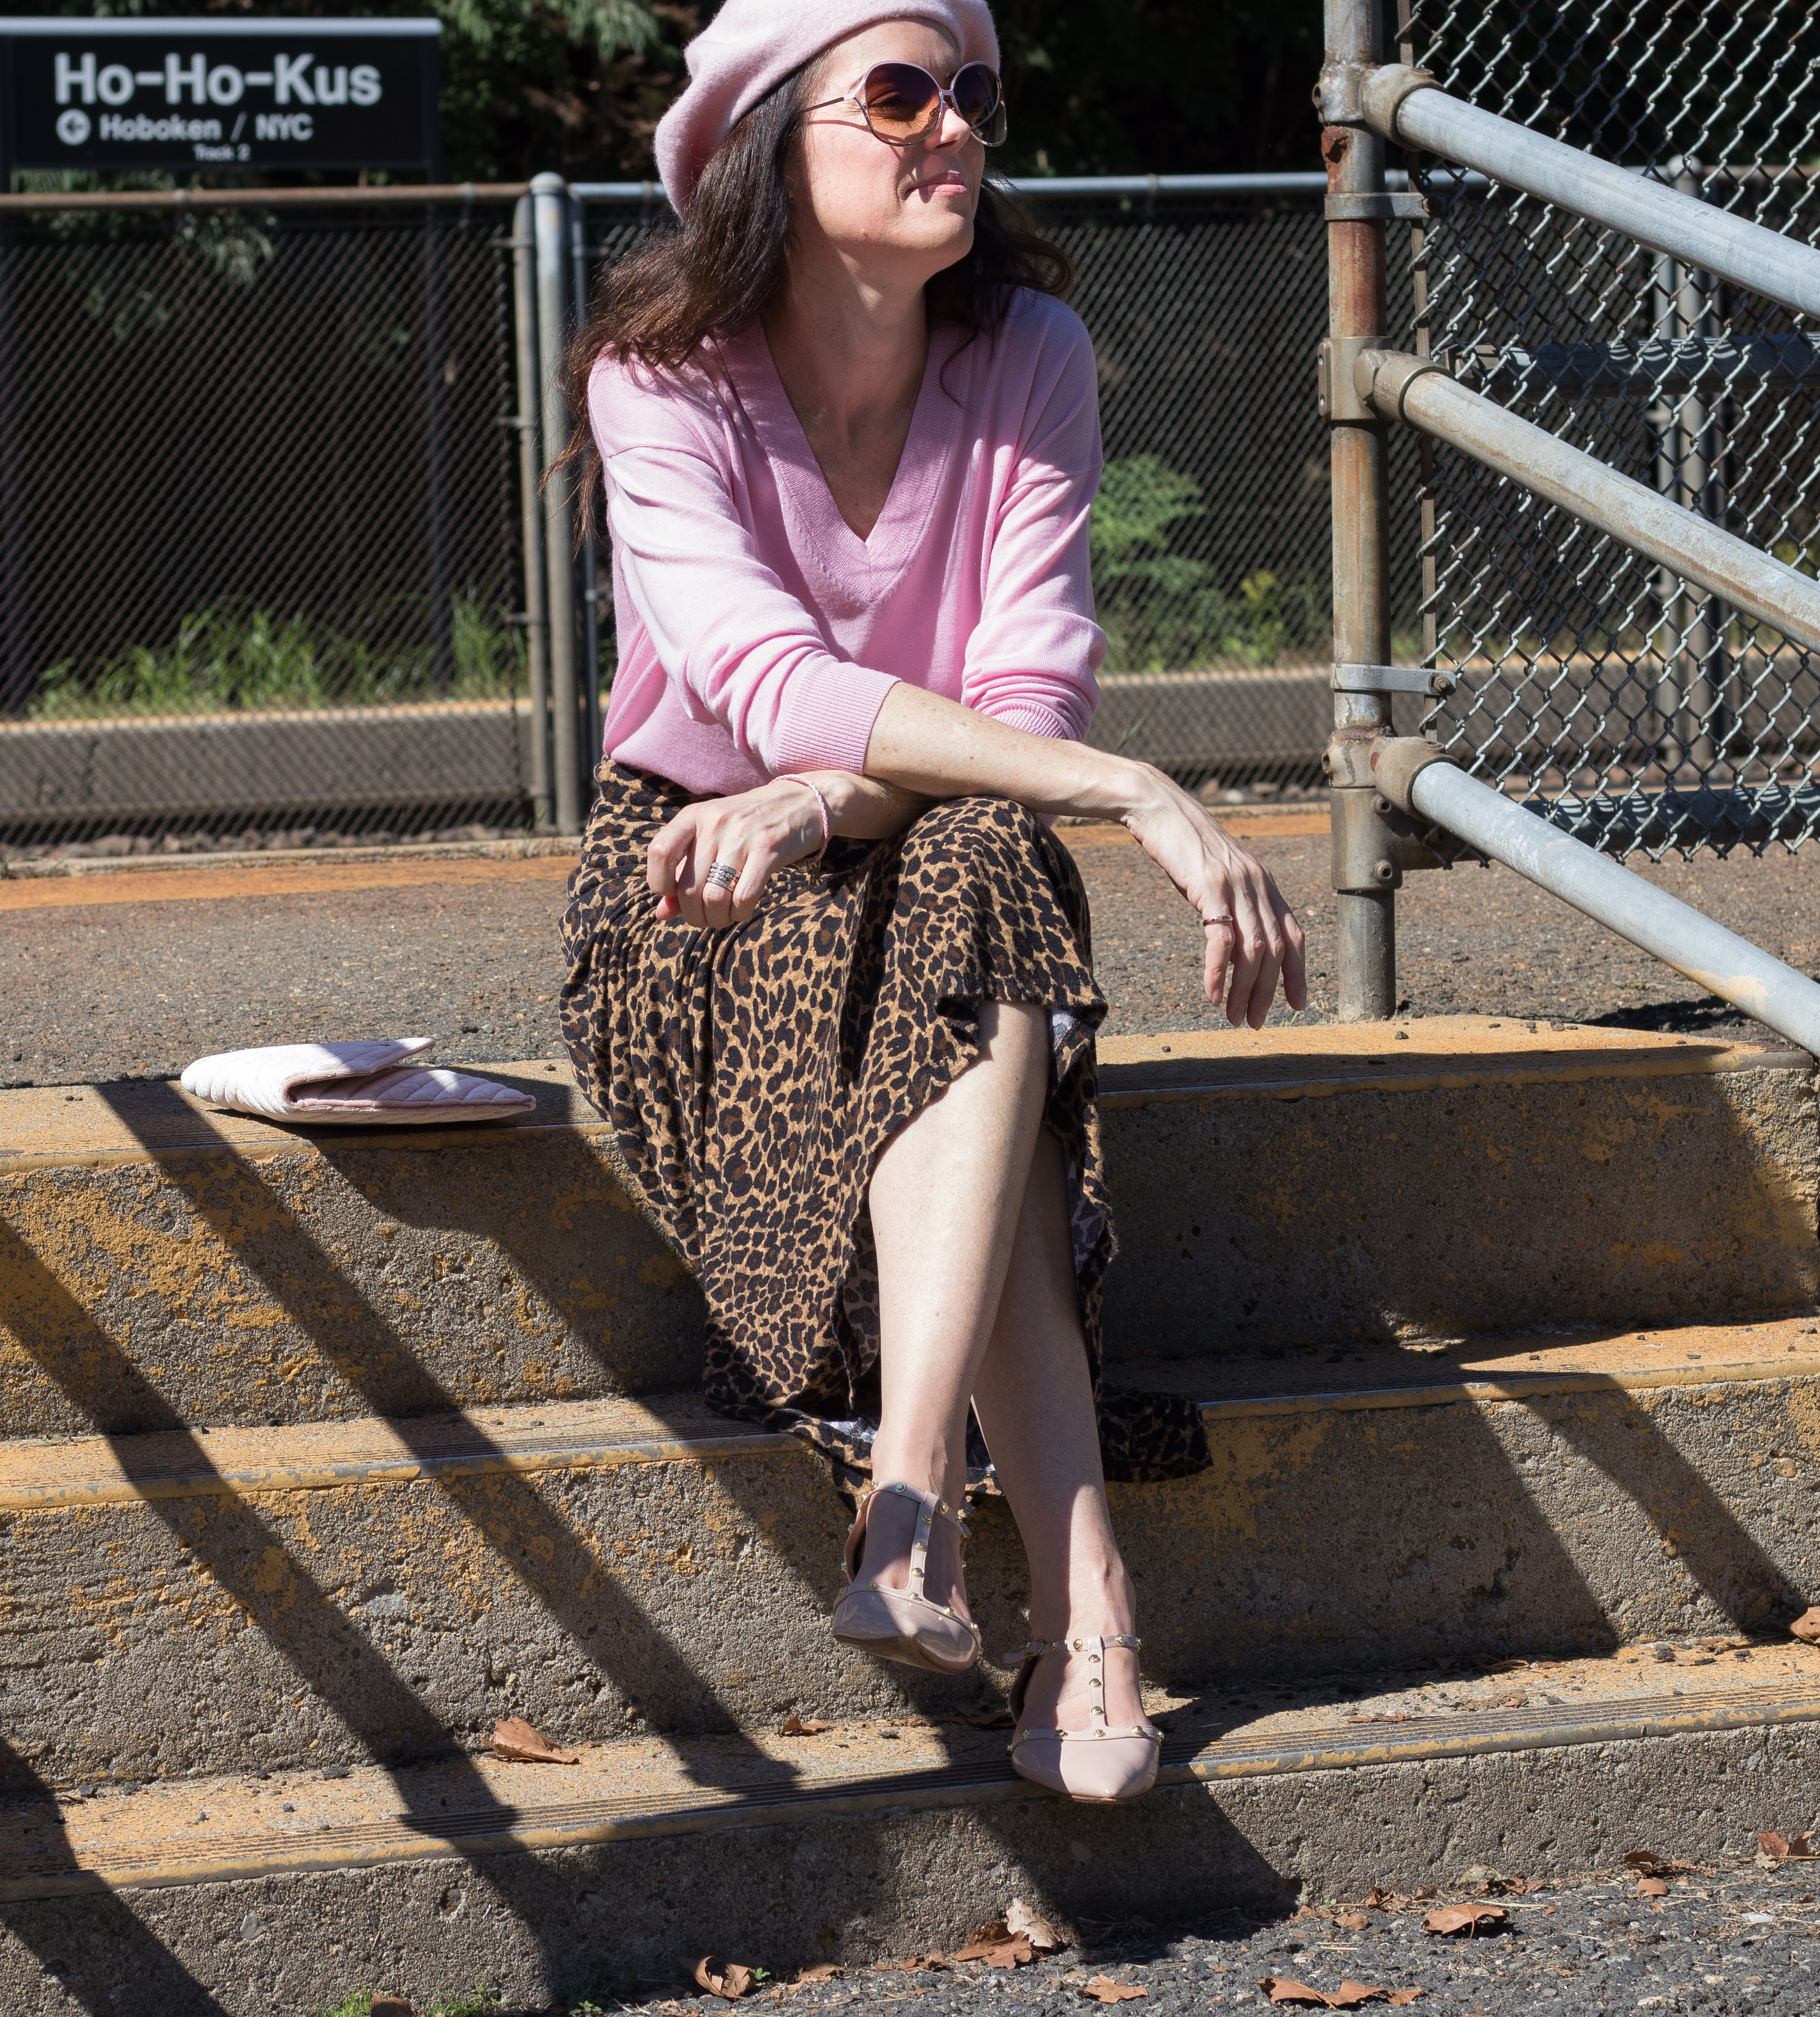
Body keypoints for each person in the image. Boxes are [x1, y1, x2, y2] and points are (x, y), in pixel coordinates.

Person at [555, 0, 1306, 1806]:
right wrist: (1135, 791)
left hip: (896, 854)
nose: (949, 126)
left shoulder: (1030, 350)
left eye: (967, 93)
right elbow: (759, 687)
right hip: (693, 888)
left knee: (978, 871)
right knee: (1002, 913)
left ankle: (910, 1515)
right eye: (895, 94)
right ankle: (1089, 1602)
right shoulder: (655, 380)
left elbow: (1020, 702)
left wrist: (835, 798)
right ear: (765, 141)